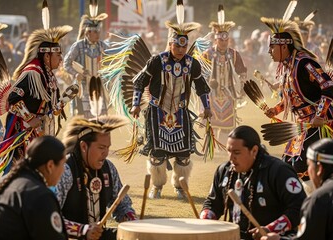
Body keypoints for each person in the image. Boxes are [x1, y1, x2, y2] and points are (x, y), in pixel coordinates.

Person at [130, 0, 212, 200]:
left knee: (184, 154)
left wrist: (207, 106)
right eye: (177, 45)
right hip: (157, 111)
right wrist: (135, 104)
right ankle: (157, 186)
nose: (181, 50)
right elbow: (140, 81)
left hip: (181, 113)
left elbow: (201, 86)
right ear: (171, 43)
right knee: (157, 153)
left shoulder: (192, 64)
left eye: (184, 46)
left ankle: (179, 185)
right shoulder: (157, 60)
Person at [261, 17, 333, 183]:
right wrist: (275, 110)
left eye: (272, 47)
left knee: (298, 168)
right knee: (288, 165)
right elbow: (292, 97)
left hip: (319, 126)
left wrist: (319, 115)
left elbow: (327, 86)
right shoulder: (287, 66)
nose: (269, 51)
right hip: (302, 126)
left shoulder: (304, 63)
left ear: (284, 46)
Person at [0, 1, 72, 174]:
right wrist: (30, 118)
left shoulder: (49, 75)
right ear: (46, 56)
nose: (61, 58)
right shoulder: (33, 72)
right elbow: (13, 98)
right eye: (58, 54)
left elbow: (50, 106)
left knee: (39, 168)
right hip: (22, 130)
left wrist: (64, 101)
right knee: (22, 168)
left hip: (38, 130)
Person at [200, 125, 306, 240]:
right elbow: (212, 203)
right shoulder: (224, 171)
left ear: (254, 150)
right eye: (229, 151)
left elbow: (299, 207)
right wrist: (205, 220)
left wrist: (269, 229)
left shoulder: (278, 171)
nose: (231, 158)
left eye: (236, 152)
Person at [55, 115, 137, 240]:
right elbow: (50, 219)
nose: (106, 153)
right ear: (83, 147)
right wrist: (82, 230)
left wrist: (131, 219)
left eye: (108, 147)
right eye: (101, 148)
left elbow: (123, 205)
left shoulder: (108, 168)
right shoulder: (65, 170)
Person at [260, 138, 333, 240]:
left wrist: (278, 239)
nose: (308, 171)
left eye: (309, 165)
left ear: (319, 168)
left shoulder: (320, 199)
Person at [0, 136, 68, 239]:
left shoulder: (5, 182)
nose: (63, 171)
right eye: (63, 164)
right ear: (50, 166)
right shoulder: (40, 196)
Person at [202, 4, 247, 143]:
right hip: (211, 94)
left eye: (226, 40)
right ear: (216, 39)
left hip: (229, 93)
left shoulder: (234, 54)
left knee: (227, 123)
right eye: (221, 40)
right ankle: (212, 145)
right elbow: (201, 73)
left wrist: (243, 86)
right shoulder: (207, 54)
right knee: (212, 121)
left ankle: (223, 144)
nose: (224, 42)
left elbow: (242, 72)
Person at [63, 0, 109, 118]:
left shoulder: (103, 46)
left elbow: (111, 61)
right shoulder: (78, 46)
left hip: (99, 88)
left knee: (102, 121)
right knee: (85, 123)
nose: (98, 34)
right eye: (95, 32)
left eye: (99, 31)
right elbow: (66, 63)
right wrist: (75, 74)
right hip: (83, 90)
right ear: (87, 33)